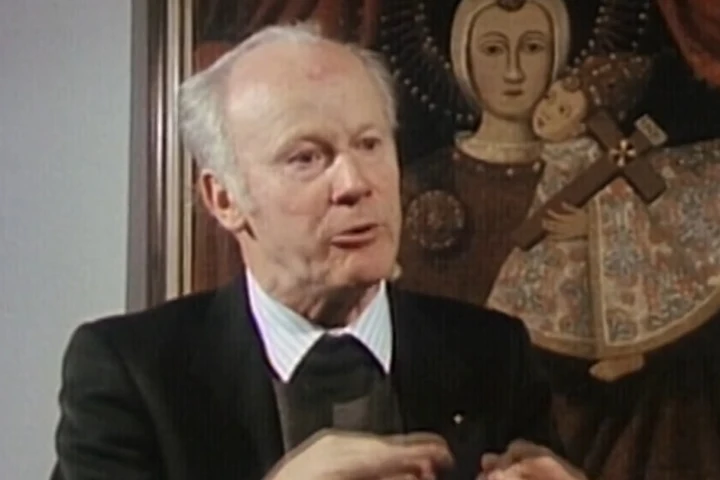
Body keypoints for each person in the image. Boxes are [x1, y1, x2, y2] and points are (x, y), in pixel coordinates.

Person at [51, 22, 586, 480]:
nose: (355, 183)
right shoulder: (133, 374)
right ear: (225, 199)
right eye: (306, 157)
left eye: (370, 144)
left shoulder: (492, 354)